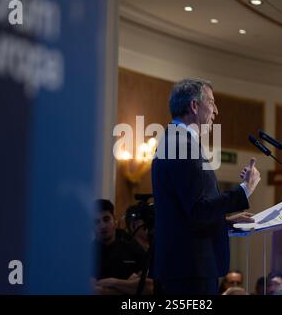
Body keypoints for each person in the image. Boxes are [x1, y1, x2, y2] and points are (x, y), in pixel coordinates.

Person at [151, 78, 261, 295]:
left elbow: (189, 211)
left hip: (186, 267)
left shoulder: (177, 141)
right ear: (194, 105)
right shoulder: (182, 145)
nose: (216, 110)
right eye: (211, 102)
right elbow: (199, 210)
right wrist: (244, 189)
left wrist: (225, 221)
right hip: (190, 269)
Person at [92, 199, 153, 295]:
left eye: (106, 219)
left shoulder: (132, 248)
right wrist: (128, 285)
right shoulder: (87, 254)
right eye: (96, 222)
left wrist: (113, 282)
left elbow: (149, 288)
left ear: (115, 220)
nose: (102, 226)